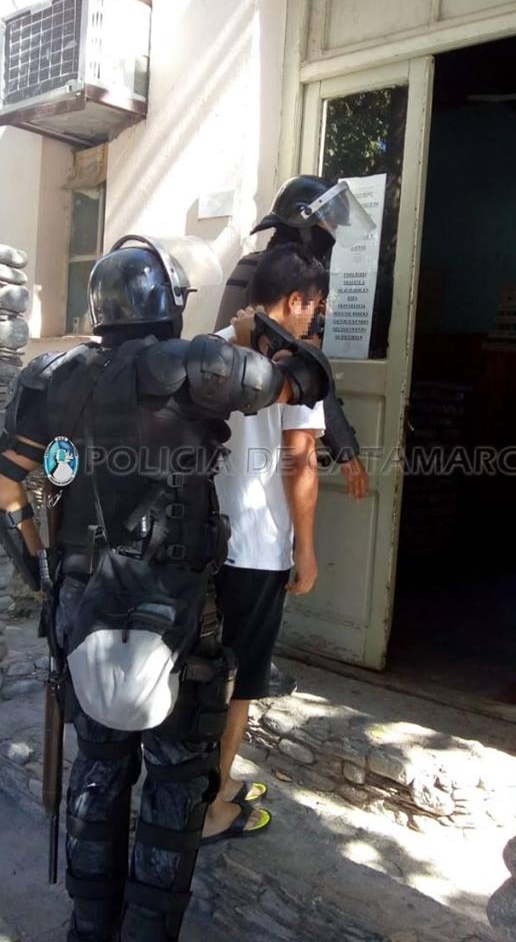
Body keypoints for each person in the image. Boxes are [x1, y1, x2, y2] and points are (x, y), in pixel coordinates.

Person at [0, 235, 331, 942]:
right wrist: (261, 335)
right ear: (168, 303)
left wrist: (42, 569)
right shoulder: (192, 366)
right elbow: (306, 378)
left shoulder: (52, 376)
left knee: (99, 770)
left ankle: (89, 928)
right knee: (175, 782)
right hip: (177, 614)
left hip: (83, 605)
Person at [200, 244, 327, 843]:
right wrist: (306, 548)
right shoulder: (298, 366)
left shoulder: (206, 348)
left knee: (194, 668)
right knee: (238, 680)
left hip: (196, 541)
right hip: (254, 546)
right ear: (294, 300)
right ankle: (211, 807)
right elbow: (300, 462)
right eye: (313, 306)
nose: (314, 318)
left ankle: (197, 784)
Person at [215, 175, 371, 504]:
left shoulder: (274, 271)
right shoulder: (271, 276)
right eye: (330, 226)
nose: (333, 236)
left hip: (254, 435)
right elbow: (304, 370)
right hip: (258, 436)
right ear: (305, 224)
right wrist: (344, 447)